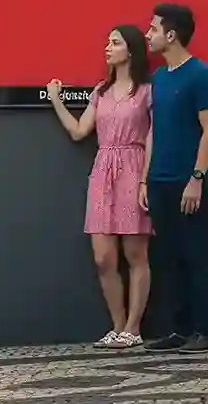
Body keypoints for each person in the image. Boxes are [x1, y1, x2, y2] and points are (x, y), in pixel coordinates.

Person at [47, 25, 152, 349]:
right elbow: (80, 131)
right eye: (107, 41)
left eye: (115, 42)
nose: (107, 47)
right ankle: (117, 326)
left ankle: (133, 329)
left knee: (136, 253)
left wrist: (145, 180)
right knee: (103, 258)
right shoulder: (100, 92)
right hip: (103, 170)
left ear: (130, 50)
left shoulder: (147, 91)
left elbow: (152, 138)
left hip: (133, 169)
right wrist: (56, 100)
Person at [143, 3, 208, 354]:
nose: (148, 33)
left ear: (171, 35)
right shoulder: (159, 79)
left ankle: (205, 330)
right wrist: (145, 180)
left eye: (153, 28)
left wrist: (197, 178)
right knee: (169, 257)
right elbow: (154, 132)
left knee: (196, 254)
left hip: (188, 182)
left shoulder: (201, 75)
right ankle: (180, 329)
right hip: (159, 181)